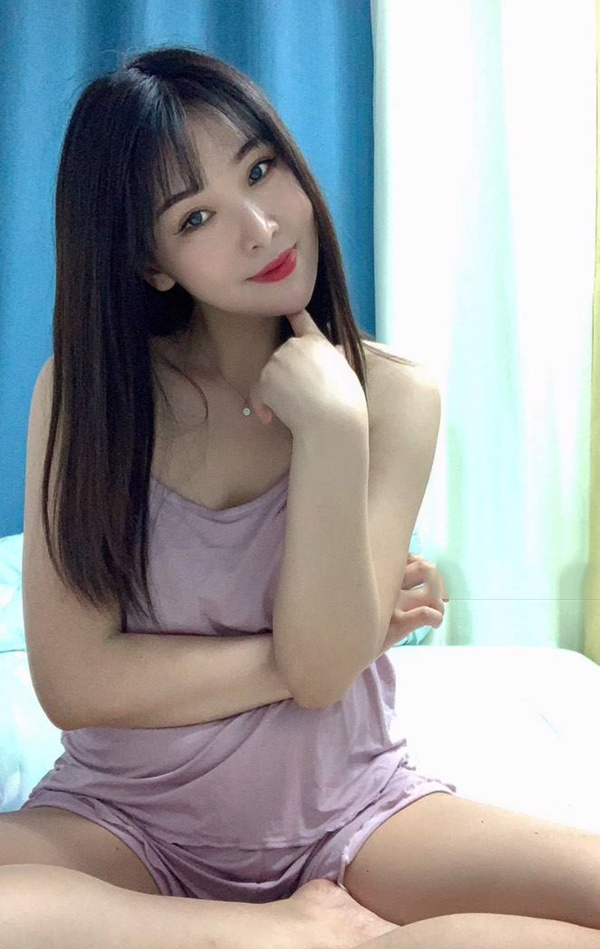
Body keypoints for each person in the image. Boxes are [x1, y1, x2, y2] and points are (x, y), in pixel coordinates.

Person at [6, 47, 596, 949]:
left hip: (354, 818)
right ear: (153, 263)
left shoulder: (393, 397)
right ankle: (276, 936)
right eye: (196, 216)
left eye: (260, 169)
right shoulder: (89, 396)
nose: (260, 228)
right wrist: (335, 638)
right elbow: (76, 684)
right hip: (120, 823)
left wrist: (334, 429)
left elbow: (324, 677)